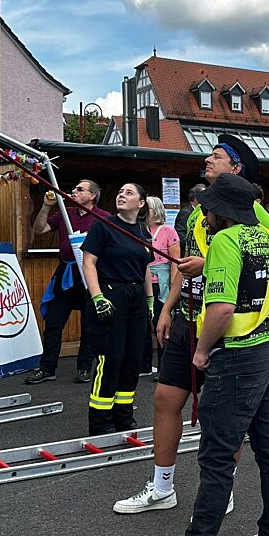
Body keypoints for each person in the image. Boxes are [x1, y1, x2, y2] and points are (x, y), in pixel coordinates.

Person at [141, 173, 269, 536]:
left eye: (208, 208)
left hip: (236, 358)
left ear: (219, 212)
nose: (204, 213)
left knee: (216, 457)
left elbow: (219, 309)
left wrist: (201, 352)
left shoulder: (223, 242)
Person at [112, 134, 269, 515]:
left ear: (236, 169)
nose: (207, 160)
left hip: (228, 327)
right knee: (165, 399)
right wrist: (167, 309)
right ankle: (162, 487)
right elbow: (185, 264)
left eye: (216, 157)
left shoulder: (256, 212)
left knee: (223, 415)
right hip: (188, 317)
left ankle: (222, 489)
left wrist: (210, 264)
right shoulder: (199, 212)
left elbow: (268, 266)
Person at [80, 183, 154, 434]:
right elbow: (88, 262)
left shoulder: (143, 231)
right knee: (110, 359)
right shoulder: (104, 226)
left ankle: (123, 416)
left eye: (129, 193)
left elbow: (145, 267)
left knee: (132, 360)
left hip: (136, 298)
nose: (122, 195)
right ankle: (101, 422)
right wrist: (97, 296)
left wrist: (150, 298)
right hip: (111, 295)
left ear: (141, 203)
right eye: (120, 192)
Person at [26, 180, 111, 385]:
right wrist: (47, 206)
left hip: (90, 275)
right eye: (74, 188)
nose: (74, 191)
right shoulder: (65, 213)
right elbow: (39, 229)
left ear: (92, 196)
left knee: (88, 324)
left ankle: (84, 368)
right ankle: (47, 368)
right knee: (54, 322)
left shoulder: (104, 218)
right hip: (65, 273)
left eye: (80, 189)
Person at [140, 196, 180, 376]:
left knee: (161, 324)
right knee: (142, 324)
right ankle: (144, 365)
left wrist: (173, 286)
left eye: (146, 208)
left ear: (155, 210)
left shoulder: (168, 231)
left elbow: (175, 261)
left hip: (162, 282)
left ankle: (164, 366)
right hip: (142, 280)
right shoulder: (139, 229)